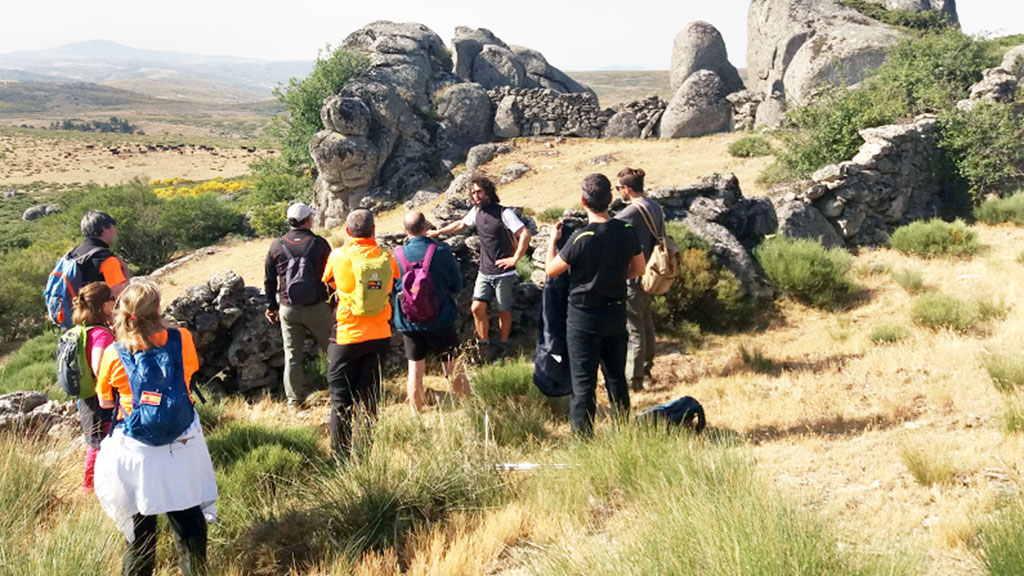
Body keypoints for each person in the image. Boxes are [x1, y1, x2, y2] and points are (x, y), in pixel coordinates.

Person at [94, 282, 217, 576]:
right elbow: (189, 374)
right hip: (182, 442)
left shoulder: (113, 353)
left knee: (140, 528)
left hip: (135, 450)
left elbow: (105, 402)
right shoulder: (181, 338)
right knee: (188, 518)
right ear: (158, 310)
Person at [545, 173, 645, 436]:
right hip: (615, 312)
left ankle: (583, 442)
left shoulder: (580, 238)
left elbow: (551, 270)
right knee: (616, 380)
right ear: (610, 199)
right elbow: (639, 268)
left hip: (583, 318)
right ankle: (623, 434)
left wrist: (552, 242)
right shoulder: (626, 230)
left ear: (583, 201)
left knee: (583, 385)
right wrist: (611, 276)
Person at [321, 209, 399, 460]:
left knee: (341, 401)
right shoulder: (388, 256)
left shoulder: (338, 255)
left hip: (347, 336)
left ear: (347, 232)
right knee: (369, 398)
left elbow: (328, 282)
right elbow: (392, 282)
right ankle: (364, 454)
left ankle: (340, 459)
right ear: (374, 230)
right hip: (379, 335)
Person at [427, 174, 531, 358]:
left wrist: (515, 259)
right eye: (473, 192)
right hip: (485, 271)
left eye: (479, 191)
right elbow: (461, 224)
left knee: (503, 310)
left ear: (488, 191)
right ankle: (484, 348)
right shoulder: (476, 212)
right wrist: (438, 232)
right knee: (477, 308)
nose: (476, 195)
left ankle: (504, 347)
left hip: (504, 273)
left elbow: (525, 233)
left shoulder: (504, 213)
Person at [393, 211, 471, 413]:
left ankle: (415, 415)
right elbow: (456, 285)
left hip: (409, 322)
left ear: (405, 231)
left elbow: (392, 288)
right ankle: (469, 409)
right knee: (453, 367)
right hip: (441, 319)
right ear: (427, 229)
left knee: (415, 370)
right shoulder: (442, 252)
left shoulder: (396, 256)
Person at [264, 202, 333, 408]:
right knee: (332, 349)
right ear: (308, 220)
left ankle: (295, 400)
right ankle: (339, 389)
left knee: (292, 355)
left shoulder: (277, 245)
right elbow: (330, 275)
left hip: (288, 308)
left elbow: (269, 280)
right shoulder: (319, 243)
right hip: (318, 307)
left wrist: (271, 306)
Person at [613, 167, 664, 391]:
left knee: (634, 328)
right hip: (653, 273)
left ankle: (633, 381)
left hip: (635, 277)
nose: (617, 193)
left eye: (618, 188)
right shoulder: (655, 206)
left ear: (627, 189)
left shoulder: (632, 212)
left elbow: (607, 227)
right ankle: (645, 367)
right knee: (645, 322)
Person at [71, 281, 116, 493]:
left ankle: (90, 485)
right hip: (100, 395)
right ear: (104, 305)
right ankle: (90, 487)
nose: (115, 304)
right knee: (99, 442)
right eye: (113, 300)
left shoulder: (83, 330)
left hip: (85, 393)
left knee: (94, 440)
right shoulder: (101, 334)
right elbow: (99, 365)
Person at [70, 210, 129, 299]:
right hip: (97, 312)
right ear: (105, 229)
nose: (115, 233)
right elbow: (121, 296)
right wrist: (125, 270)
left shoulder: (72, 254)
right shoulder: (106, 259)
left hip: (72, 311)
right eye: (113, 227)